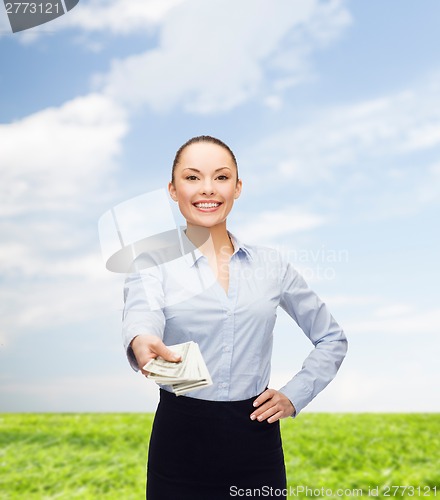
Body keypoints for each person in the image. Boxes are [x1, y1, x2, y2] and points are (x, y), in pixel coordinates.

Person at [122, 135, 348, 500]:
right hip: (180, 439)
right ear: (172, 189)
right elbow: (141, 313)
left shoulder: (272, 265)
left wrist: (294, 395)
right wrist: (141, 339)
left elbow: (332, 339)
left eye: (221, 177)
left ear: (238, 187)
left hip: (255, 440)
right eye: (193, 178)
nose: (207, 189)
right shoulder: (152, 261)